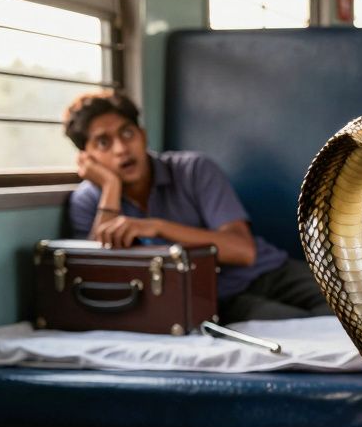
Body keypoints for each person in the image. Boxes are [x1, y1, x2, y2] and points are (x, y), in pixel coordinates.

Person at [61, 90, 331, 323]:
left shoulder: (193, 169)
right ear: (87, 157)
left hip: (270, 271)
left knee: (356, 310)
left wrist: (155, 227)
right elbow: (99, 275)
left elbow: (243, 251)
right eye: (103, 142)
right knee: (307, 331)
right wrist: (110, 188)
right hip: (217, 298)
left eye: (127, 133)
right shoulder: (88, 200)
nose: (121, 149)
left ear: (142, 136)